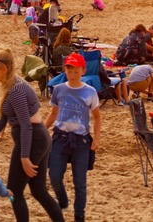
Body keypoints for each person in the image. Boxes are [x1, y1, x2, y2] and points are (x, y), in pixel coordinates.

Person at [0, 49, 64, 222]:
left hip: (32, 139)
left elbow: (27, 125)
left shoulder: (16, 91)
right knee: (39, 191)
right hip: (38, 139)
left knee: (13, 191)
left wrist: (24, 157)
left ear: (4, 69)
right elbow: (1, 120)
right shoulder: (10, 86)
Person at [44, 54, 101, 222]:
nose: (72, 74)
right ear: (65, 70)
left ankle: (79, 216)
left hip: (81, 141)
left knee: (80, 183)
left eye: (75, 70)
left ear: (83, 71)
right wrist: (41, 130)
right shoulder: (59, 89)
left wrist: (96, 139)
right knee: (54, 176)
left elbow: (97, 117)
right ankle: (62, 201)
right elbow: (54, 113)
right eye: (69, 70)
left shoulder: (90, 92)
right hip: (60, 138)